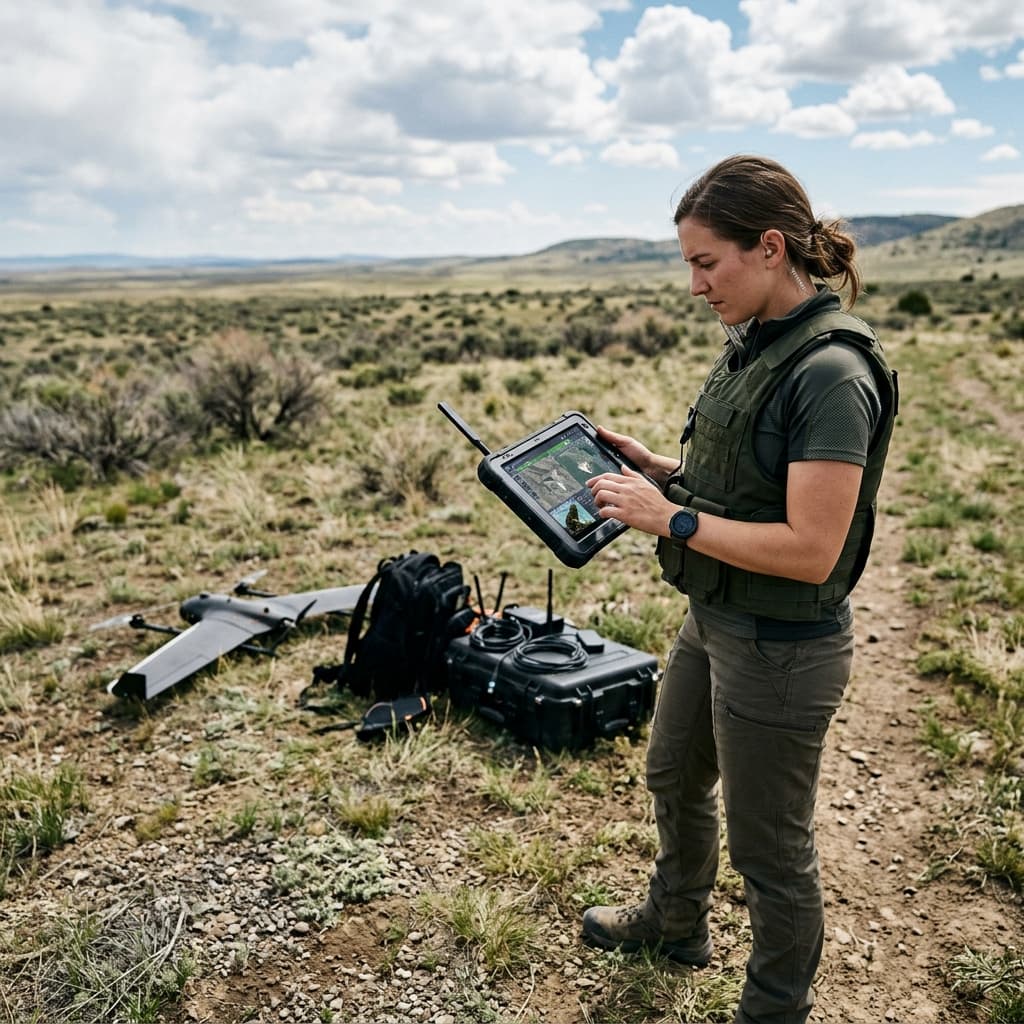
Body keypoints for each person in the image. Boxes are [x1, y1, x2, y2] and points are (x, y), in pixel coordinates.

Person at [580, 154, 898, 1024]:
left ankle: (773, 1008)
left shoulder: (832, 374)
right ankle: (675, 923)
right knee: (674, 774)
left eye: (705, 262)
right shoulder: (758, 344)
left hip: (782, 648)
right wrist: (662, 471)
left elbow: (810, 550)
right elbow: (751, 489)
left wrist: (668, 520)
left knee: (771, 850)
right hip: (716, 616)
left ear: (768, 248)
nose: (694, 286)